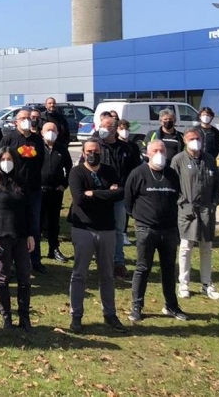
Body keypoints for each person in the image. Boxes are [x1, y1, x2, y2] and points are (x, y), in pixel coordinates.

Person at [67, 139, 127, 334]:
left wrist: (94, 193)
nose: (93, 154)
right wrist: (104, 194)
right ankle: (76, 315)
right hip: (83, 228)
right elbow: (79, 198)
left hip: (107, 229)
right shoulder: (77, 172)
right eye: (89, 151)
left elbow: (119, 194)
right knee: (79, 274)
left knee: (107, 274)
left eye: (96, 151)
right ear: (83, 153)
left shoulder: (109, 171)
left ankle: (110, 314)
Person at [125, 140, 186, 322]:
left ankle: (171, 305)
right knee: (143, 268)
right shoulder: (138, 174)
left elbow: (177, 196)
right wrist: (140, 219)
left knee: (168, 269)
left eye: (162, 150)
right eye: (156, 150)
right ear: (148, 154)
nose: (159, 153)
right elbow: (128, 201)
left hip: (169, 230)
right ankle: (137, 306)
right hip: (146, 229)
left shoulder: (172, 175)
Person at [0, 148, 35, 331]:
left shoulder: (21, 183)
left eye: (10, 159)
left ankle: (24, 317)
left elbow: (29, 210)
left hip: (21, 236)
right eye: (3, 159)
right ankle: (6, 316)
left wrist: (31, 234)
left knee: (24, 278)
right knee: (3, 278)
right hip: (2, 237)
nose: (7, 162)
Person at [171, 128, 219, 300]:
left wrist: (214, 203)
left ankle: (207, 283)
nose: (196, 141)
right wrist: (182, 203)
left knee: (206, 247)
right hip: (187, 211)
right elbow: (172, 184)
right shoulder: (178, 160)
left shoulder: (209, 159)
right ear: (185, 140)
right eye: (192, 138)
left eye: (198, 138)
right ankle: (183, 283)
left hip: (207, 210)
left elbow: (217, 183)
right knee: (186, 247)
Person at [85, 117, 140, 279]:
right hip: (98, 195)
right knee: (95, 229)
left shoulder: (127, 148)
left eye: (107, 126)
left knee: (117, 231)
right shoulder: (96, 146)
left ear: (115, 129)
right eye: (101, 126)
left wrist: (124, 188)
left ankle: (118, 263)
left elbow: (134, 172)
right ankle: (96, 261)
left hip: (118, 196)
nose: (103, 129)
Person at [0, 109, 47, 273]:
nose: (27, 121)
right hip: (12, 189)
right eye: (23, 118)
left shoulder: (37, 140)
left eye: (29, 118)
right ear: (16, 122)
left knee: (34, 224)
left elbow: (40, 161)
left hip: (32, 189)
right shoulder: (9, 138)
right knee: (13, 224)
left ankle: (35, 260)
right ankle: (10, 263)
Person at [40, 122, 72, 263]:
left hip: (55, 192)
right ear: (42, 132)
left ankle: (54, 249)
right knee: (38, 222)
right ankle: (34, 252)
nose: (51, 132)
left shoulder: (62, 150)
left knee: (54, 222)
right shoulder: (37, 147)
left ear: (58, 133)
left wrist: (64, 185)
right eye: (48, 130)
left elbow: (70, 169)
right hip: (39, 191)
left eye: (54, 130)